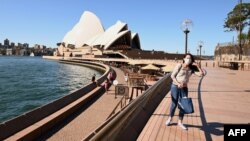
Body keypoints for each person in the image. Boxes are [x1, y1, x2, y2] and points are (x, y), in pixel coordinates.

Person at [165, 53, 204, 130]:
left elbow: (201, 74)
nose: (188, 60)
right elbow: (172, 76)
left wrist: (199, 67)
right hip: (175, 87)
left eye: (190, 59)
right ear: (184, 58)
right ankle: (170, 118)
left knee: (183, 105)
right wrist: (178, 83)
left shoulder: (191, 69)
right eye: (187, 58)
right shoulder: (179, 65)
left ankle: (180, 122)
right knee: (174, 103)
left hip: (184, 88)